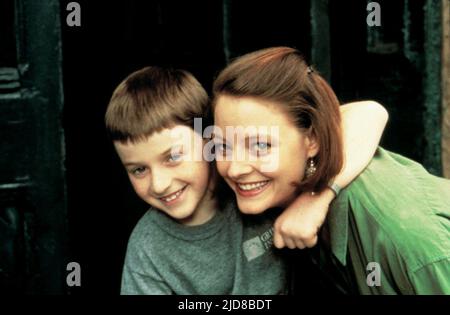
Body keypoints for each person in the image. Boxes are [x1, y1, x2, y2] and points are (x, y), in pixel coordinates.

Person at [105, 65, 387, 294]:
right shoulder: (149, 248)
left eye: (173, 157)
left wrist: (316, 199)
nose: (159, 184)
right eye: (138, 169)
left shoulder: (248, 186)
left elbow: (370, 113)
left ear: (209, 139)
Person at [212, 46, 450, 295]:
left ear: (312, 140)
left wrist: (319, 196)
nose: (235, 168)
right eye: (223, 145)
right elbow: (363, 112)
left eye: (260, 145)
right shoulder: (282, 191)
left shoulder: (404, 238)